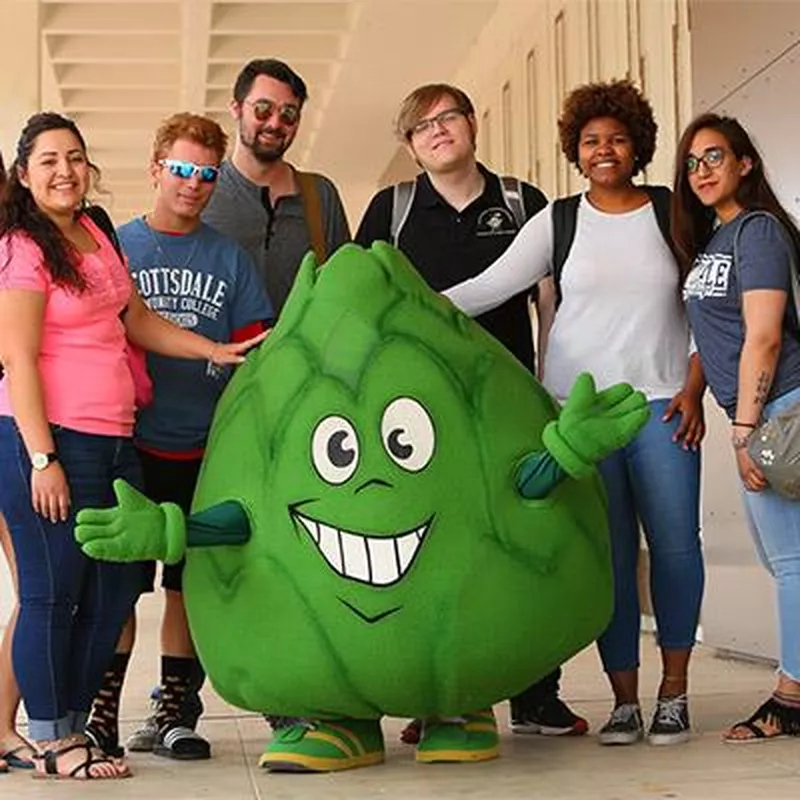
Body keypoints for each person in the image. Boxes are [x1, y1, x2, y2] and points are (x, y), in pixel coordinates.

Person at [0, 112, 265, 781]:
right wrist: (42, 458)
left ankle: (75, 721)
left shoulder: (93, 231)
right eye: (50, 160)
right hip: (51, 437)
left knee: (116, 589)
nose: (65, 171)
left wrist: (212, 348)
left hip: (114, 439)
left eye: (76, 158)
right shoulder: (21, 249)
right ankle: (57, 738)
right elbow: (19, 359)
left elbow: (136, 319)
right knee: (52, 593)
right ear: (25, 174)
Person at [443, 79, 706, 747]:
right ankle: (624, 700)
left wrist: (696, 387)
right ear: (575, 150)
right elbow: (488, 286)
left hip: (661, 406)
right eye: (591, 141)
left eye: (617, 138)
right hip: (578, 418)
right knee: (609, 559)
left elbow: (709, 304)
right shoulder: (558, 221)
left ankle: (673, 691)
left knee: (674, 549)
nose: (605, 150)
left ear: (637, 144)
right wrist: (405, 297)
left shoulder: (671, 211)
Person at [355, 82, 586, 742]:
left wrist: (550, 384)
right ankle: (437, 699)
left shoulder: (522, 203)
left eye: (446, 117)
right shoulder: (391, 210)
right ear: (409, 147)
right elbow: (371, 306)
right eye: (420, 127)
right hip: (421, 417)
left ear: (472, 124)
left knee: (526, 542)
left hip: (510, 404)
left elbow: (551, 300)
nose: (436, 131)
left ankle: (539, 695)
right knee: (436, 550)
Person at [84, 113, 274, 763]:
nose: (193, 184)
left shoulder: (228, 257)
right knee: (120, 584)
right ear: (157, 169)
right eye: (183, 170)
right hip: (131, 442)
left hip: (208, 448)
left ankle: (175, 708)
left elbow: (257, 345)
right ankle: (100, 712)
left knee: (186, 585)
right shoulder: (120, 248)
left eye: (205, 174)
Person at [673, 112, 800, 743]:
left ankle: (791, 698)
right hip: (757, 414)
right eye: (691, 162)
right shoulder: (715, 241)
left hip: (781, 409)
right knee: (787, 562)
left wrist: (746, 427)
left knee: (793, 561)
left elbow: (765, 335)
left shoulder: (758, 232)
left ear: (745, 163)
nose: (701, 171)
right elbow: (711, 338)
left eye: (714, 157)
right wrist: (699, 394)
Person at [202, 58, 350, 312]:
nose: (275, 123)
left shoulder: (320, 195)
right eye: (263, 109)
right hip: (220, 350)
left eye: (289, 114)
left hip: (302, 350)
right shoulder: (203, 190)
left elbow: (343, 286)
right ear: (236, 109)